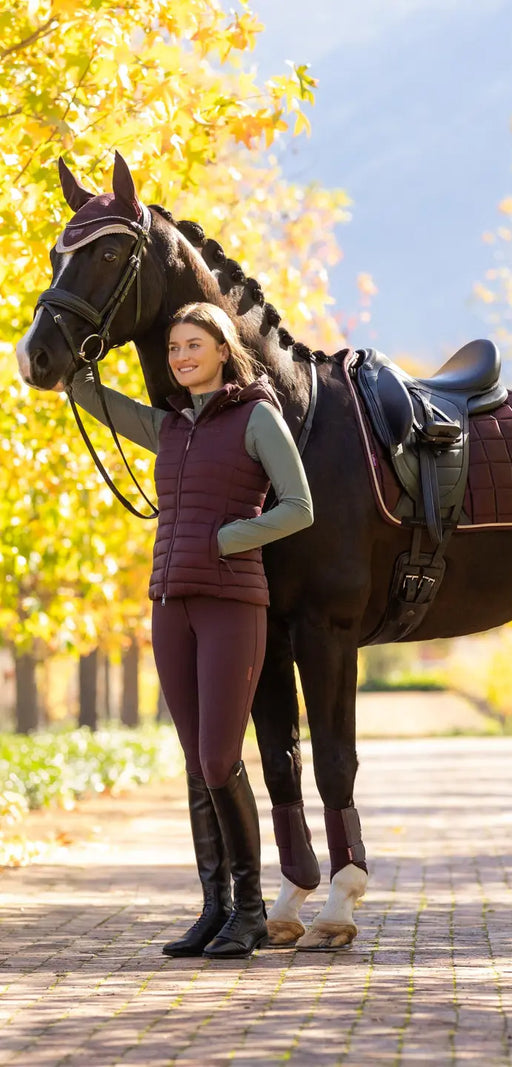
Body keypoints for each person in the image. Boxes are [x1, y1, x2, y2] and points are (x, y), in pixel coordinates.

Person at [68, 302, 313, 959]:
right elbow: (95, 398)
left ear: (223, 348)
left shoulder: (257, 416)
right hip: (170, 603)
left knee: (218, 756)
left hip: (232, 601)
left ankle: (253, 910)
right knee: (195, 762)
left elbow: (299, 505)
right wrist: (72, 358)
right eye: (174, 346)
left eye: (194, 344)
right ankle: (216, 908)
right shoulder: (169, 425)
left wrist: (230, 535)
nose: (180, 356)